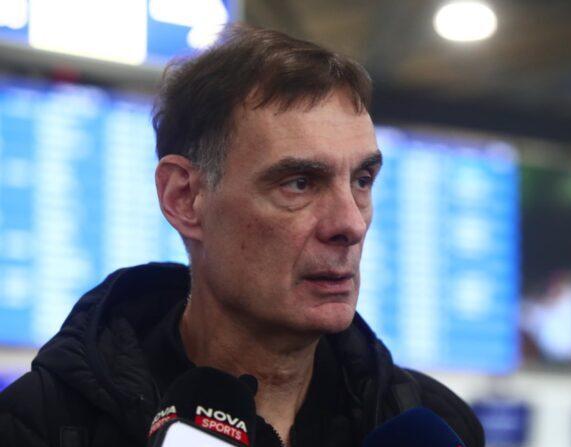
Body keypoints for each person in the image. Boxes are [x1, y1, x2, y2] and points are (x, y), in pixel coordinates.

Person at [0, 25, 484, 447]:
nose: (351, 224)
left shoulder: (434, 420)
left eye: (362, 180)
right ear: (184, 198)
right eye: (299, 183)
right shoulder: (41, 424)